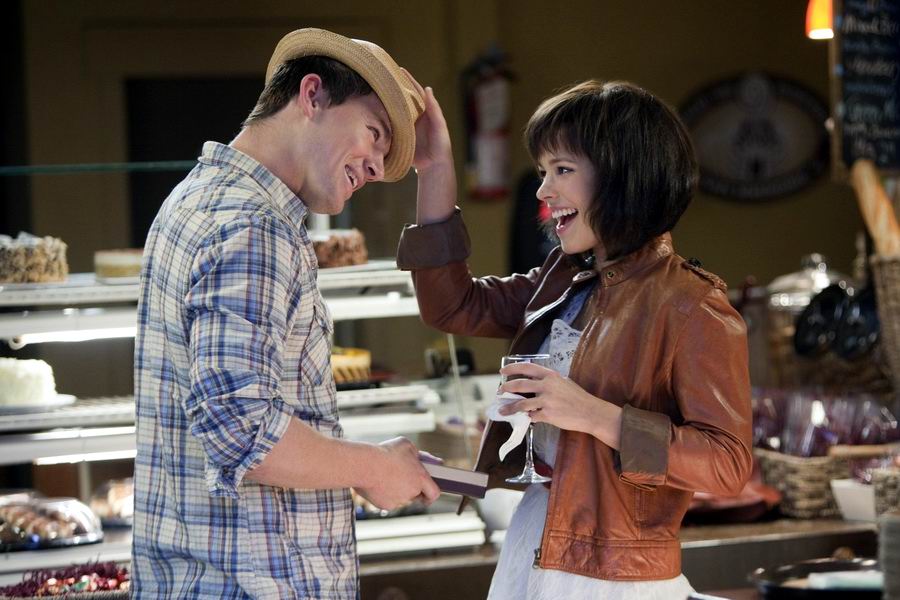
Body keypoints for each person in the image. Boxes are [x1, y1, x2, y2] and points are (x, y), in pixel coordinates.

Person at [398, 80, 753, 598]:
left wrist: (592, 414)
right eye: (543, 171)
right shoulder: (562, 278)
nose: (543, 191)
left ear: (623, 176)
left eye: (562, 170)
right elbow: (453, 305)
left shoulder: (692, 305)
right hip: (532, 544)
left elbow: (728, 464)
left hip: (618, 577)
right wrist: (434, 170)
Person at [132, 28, 441, 598]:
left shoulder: (194, 197)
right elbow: (241, 428)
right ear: (313, 95)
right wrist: (375, 467)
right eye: (374, 134)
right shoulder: (255, 226)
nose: (376, 169)